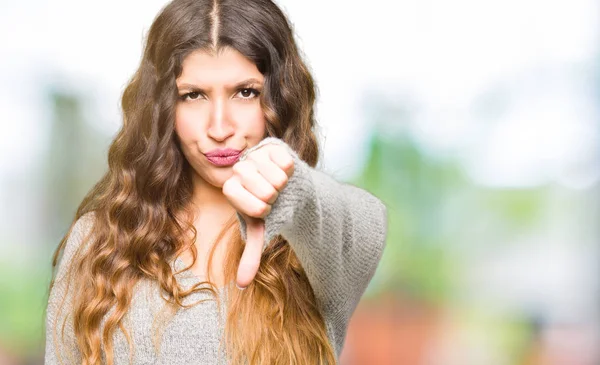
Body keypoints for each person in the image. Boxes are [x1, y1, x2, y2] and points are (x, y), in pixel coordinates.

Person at [44, 0, 388, 364]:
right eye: (193, 95)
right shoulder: (100, 244)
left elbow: (368, 224)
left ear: (279, 97)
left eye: (245, 92)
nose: (220, 128)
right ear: (163, 109)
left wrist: (293, 192)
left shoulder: (311, 248)